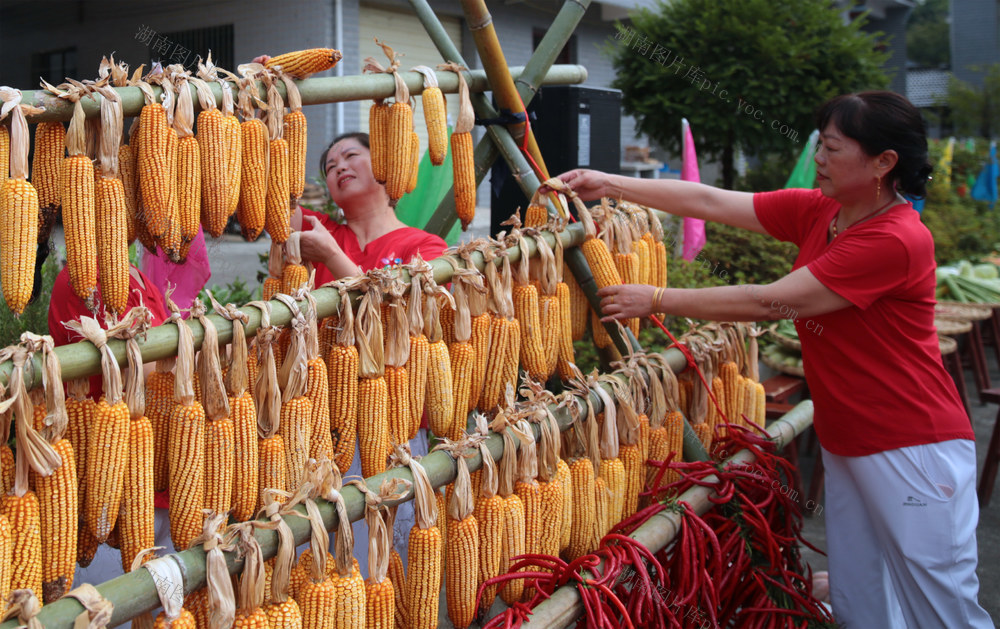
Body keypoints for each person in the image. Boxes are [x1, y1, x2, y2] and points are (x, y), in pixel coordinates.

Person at [544, 91, 993, 628]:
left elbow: (772, 299)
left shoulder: (895, 239)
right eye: (820, 146)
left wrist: (659, 299)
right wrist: (611, 184)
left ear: (884, 162)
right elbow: (712, 201)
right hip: (849, 439)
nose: (819, 158)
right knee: (861, 599)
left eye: (831, 147)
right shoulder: (823, 212)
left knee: (939, 601)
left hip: (912, 444)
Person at [293, 131, 447, 282]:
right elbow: (273, 204)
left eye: (351, 155)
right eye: (331, 167)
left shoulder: (426, 246)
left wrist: (331, 256)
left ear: (383, 163)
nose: (340, 168)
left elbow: (406, 305)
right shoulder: (319, 231)